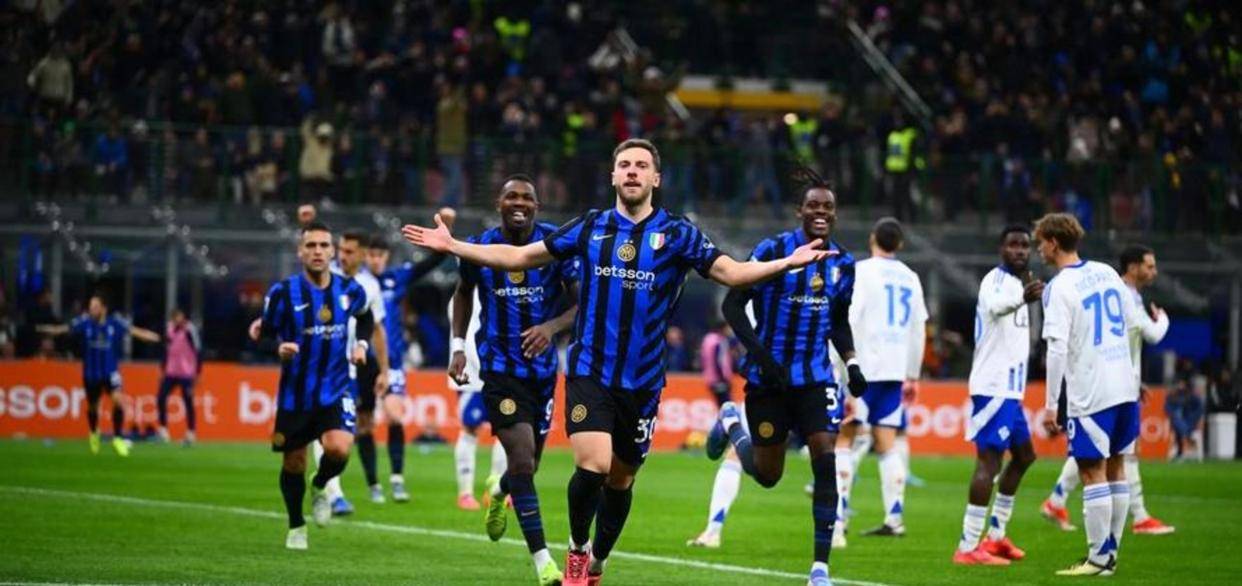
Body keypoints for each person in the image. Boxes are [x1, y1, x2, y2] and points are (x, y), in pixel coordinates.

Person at [402, 138, 831, 585]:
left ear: (655, 178)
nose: (632, 171)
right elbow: (520, 256)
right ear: (613, 176)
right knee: (593, 465)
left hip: (643, 380)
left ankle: (598, 561)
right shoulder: (591, 227)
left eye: (641, 165)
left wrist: (787, 263)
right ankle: (576, 550)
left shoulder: (679, 234)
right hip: (591, 370)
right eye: (624, 164)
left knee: (621, 480)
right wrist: (454, 246)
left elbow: (734, 272)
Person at [701, 167, 866, 586]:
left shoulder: (844, 263)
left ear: (835, 214)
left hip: (815, 378)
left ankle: (820, 569)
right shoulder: (773, 249)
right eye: (813, 206)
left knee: (825, 457)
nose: (821, 212)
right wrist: (758, 353)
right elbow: (732, 305)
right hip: (768, 380)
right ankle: (732, 422)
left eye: (828, 207)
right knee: (768, 475)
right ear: (800, 211)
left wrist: (852, 362)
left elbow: (839, 321)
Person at [450, 174, 580, 585]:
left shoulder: (556, 246)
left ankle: (498, 489)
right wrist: (458, 346)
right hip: (499, 370)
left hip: (542, 373)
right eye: (511, 197)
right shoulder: (479, 247)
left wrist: (551, 327)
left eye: (527, 198)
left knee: (530, 466)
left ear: (537, 207)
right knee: (522, 460)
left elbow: (581, 304)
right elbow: (463, 292)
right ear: (499, 204)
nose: (519, 203)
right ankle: (544, 563)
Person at [251, 221, 375, 550]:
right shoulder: (282, 293)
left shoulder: (349, 289)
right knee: (293, 462)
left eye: (323, 245)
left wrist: (362, 345)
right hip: (295, 394)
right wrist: (276, 348)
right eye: (311, 246)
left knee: (339, 449)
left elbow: (365, 316)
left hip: (336, 388)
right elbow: (263, 335)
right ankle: (296, 524)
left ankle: (320, 484)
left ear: (332, 251)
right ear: (300, 252)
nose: (317, 251)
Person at [1036, 213, 1145, 576]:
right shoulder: (1107, 272)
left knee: (1090, 470)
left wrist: (1051, 405)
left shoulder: (1059, 287)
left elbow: (1056, 349)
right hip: (1125, 386)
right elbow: (1132, 324)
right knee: (1117, 468)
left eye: (1041, 242)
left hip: (1091, 392)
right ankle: (1109, 558)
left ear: (1053, 242)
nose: (1039, 249)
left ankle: (1098, 558)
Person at [1040, 244, 1175, 535]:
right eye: (1149, 266)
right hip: (1110, 385)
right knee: (1114, 455)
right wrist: (1163, 319)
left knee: (1097, 452)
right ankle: (1137, 518)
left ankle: (1057, 500)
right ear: (1133, 267)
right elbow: (1150, 334)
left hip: (1116, 381)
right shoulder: (1120, 290)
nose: (1154, 272)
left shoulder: (1118, 290)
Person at [952, 225, 1044, 566]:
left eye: (1025, 245)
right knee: (989, 461)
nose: (1020, 251)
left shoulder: (1021, 285)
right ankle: (967, 547)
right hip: (993, 387)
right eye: (1013, 245)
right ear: (1001, 249)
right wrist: (1023, 298)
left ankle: (996, 536)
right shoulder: (996, 280)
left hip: (1011, 390)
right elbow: (994, 307)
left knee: (1024, 456)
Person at [841, 218, 928, 538]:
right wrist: (913, 375)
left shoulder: (861, 271)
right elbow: (918, 329)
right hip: (895, 369)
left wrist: (844, 365)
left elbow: (850, 318)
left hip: (863, 367)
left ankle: (838, 519)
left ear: (872, 238)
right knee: (887, 443)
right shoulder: (911, 277)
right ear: (900, 244)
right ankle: (895, 518)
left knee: (846, 439)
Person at [364, 217, 455, 509]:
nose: (375, 259)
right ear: (365, 257)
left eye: (380, 255)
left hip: (391, 363)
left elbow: (433, 262)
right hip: (360, 361)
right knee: (363, 425)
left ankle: (396, 479)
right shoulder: (356, 283)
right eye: (371, 254)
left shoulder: (397, 278)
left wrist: (445, 233)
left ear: (386, 257)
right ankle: (372, 484)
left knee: (395, 416)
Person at [38, 294, 161, 455]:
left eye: (95, 307)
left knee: (118, 401)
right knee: (93, 407)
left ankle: (118, 438)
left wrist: (155, 337)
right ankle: (94, 432)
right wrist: (43, 329)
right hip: (91, 374)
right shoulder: (84, 323)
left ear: (103, 308)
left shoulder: (115, 323)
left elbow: (134, 331)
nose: (91, 310)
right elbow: (62, 329)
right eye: (90, 307)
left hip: (110, 372)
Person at [324, 230, 392, 510]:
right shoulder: (323, 274)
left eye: (349, 251)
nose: (343, 255)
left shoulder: (369, 286)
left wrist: (384, 370)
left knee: (345, 435)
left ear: (362, 254)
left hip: (351, 368)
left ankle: (329, 487)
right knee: (325, 429)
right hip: (319, 364)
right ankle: (333, 493)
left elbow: (376, 329)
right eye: (341, 249)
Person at [157, 308, 202, 445]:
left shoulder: (189, 330)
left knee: (188, 401)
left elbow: (198, 351)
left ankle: (191, 432)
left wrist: (198, 372)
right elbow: (166, 350)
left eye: (179, 317)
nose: (177, 320)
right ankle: (163, 430)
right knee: (161, 397)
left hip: (186, 373)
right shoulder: (169, 329)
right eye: (175, 317)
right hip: (171, 371)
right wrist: (162, 369)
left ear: (183, 317)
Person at [699, 320, 734, 407]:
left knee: (720, 404)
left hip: (710, 378)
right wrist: (723, 378)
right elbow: (718, 360)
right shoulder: (719, 341)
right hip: (720, 379)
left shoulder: (707, 340)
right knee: (727, 405)